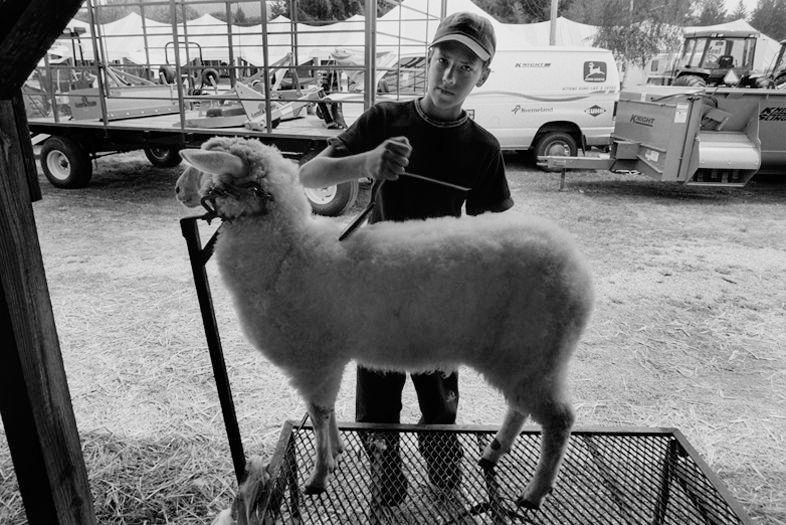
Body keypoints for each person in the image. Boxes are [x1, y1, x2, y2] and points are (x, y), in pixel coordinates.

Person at [298, 11, 514, 505]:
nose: (450, 75)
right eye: (443, 60)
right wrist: (366, 163)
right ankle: (386, 484)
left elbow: (497, 231)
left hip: (440, 297)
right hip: (376, 291)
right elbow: (308, 175)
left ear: (484, 75)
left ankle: (443, 483)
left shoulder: (482, 150)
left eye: (466, 66)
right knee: (377, 403)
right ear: (429, 58)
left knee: (440, 402)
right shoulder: (384, 120)